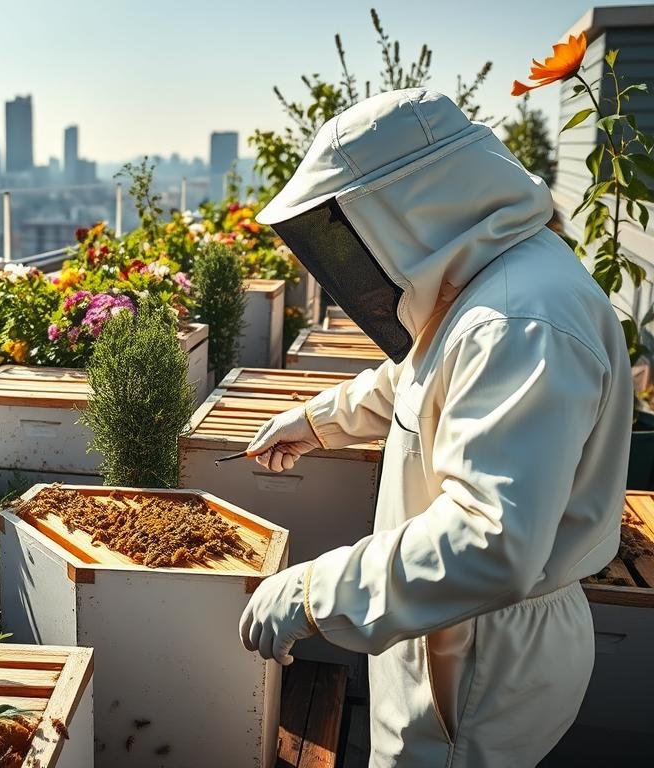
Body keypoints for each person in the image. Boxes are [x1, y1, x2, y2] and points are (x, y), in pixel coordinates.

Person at [238, 88, 631, 767]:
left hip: (477, 655)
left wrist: (312, 593)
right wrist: (319, 420)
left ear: (411, 207)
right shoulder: (491, 284)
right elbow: (424, 379)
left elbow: (489, 542)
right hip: (454, 626)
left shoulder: (518, 322)